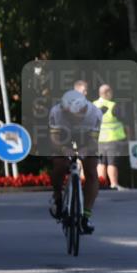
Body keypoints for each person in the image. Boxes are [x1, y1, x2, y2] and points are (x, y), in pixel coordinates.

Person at [48, 90, 103, 234]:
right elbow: (54, 139)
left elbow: (93, 142)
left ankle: (85, 216)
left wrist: (85, 150)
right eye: (67, 114)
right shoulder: (57, 112)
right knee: (59, 164)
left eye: (72, 116)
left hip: (86, 136)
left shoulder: (95, 114)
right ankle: (58, 197)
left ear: (83, 110)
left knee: (91, 170)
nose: (70, 118)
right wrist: (63, 149)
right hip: (63, 134)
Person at [93, 84, 128, 190]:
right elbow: (125, 121)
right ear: (107, 93)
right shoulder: (113, 106)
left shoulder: (93, 105)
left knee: (101, 163)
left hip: (98, 140)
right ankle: (113, 184)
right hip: (113, 139)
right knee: (112, 162)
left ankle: (101, 184)